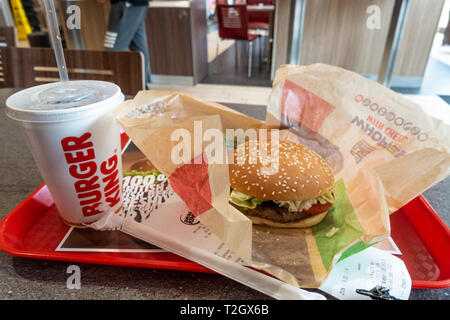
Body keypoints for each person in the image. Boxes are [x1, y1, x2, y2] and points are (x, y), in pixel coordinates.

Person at [98, 0, 151, 89]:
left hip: (127, 4)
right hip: (136, 5)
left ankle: (117, 90)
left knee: (112, 51)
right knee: (138, 48)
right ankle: (141, 88)